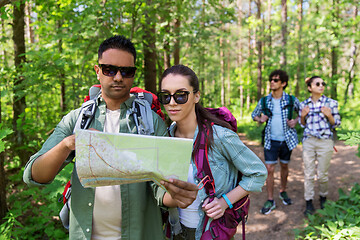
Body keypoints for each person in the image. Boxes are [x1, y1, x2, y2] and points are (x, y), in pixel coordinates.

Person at [23, 35, 198, 240]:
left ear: (133, 75)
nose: (117, 77)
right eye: (109, 70)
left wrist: (176, 196)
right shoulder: (77, 119)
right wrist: (68, 144)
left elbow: (159, 187)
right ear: (97, 71)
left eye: (126, 71)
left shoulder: (151, 122)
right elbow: (34, 176)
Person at [158, 64, 267, 240]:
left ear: (196, 96)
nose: (172, 102)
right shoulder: (167, 135)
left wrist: (225, 202)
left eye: (180, 95)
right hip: (175, 231)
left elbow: (257, 173)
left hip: (211, 232)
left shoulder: (219, 136)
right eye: (166, 96)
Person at [251, 69, 300, 215]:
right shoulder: (264, 101)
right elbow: (254, 115)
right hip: (270, 141)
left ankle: (283, 191)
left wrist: (295, 121)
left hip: (287, 140)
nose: (272, 82)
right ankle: (270, 199)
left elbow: (303, 113)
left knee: (284, 166)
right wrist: (260, 119)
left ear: (283, 83)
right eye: (271, 79)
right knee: (270, 169)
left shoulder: (291, 100)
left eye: (276, 80)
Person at [299, 76, 341, 216]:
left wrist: (329, 116)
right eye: (317, 83)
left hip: (325, 142)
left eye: (323, 83)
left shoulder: (331, 103)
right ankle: (308, 202)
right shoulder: (304, 104)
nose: (321, 85)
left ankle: (323, 197)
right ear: (310, 88)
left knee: (322, 174)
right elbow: (302, 124)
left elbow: (336, 123)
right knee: (309, 173)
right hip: (309, 141)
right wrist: (303, 116)